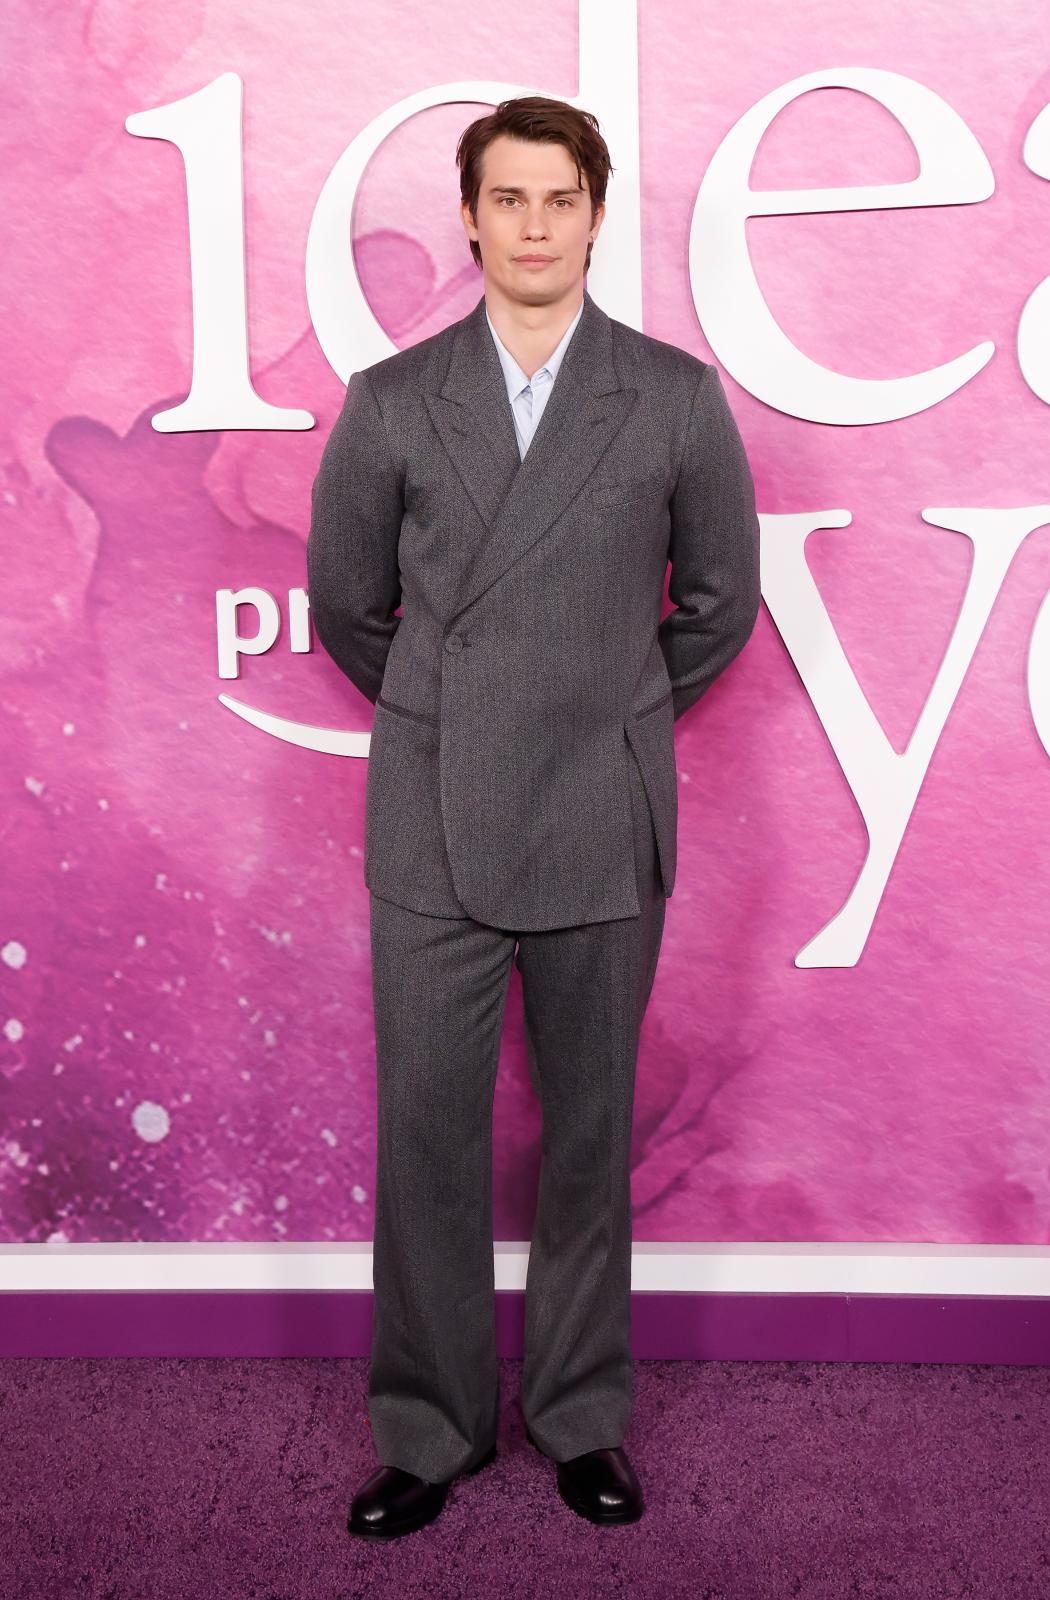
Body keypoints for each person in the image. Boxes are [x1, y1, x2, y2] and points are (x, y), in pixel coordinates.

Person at [306, 94, 761, 1539]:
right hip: (431, 819)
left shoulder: (673, 397)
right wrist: (456, 717)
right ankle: (428, 1430)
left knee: (586, 1137)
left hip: (598, 814)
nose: (534, 225)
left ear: (596, 215)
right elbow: (346, 607)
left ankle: (579, 1417)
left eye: (560, 199)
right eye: (507, 198)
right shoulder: (391, 400)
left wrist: (610, 712)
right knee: (426, 1140)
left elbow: (719, 606)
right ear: (470, 217)